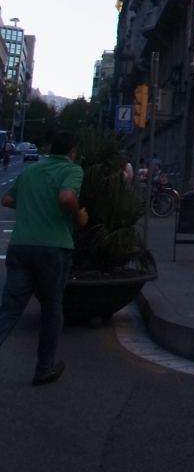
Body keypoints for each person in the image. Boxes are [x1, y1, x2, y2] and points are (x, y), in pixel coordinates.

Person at [0, 128, 87, 385]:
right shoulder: (71, 170)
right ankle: (44, 369)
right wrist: (79, 216)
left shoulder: (31, 170)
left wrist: (32, 204)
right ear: (72, 151)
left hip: (20, 247)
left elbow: (6, 199)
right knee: (51, 310)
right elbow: (66, 196)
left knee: (9, 310)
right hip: (53, 249)